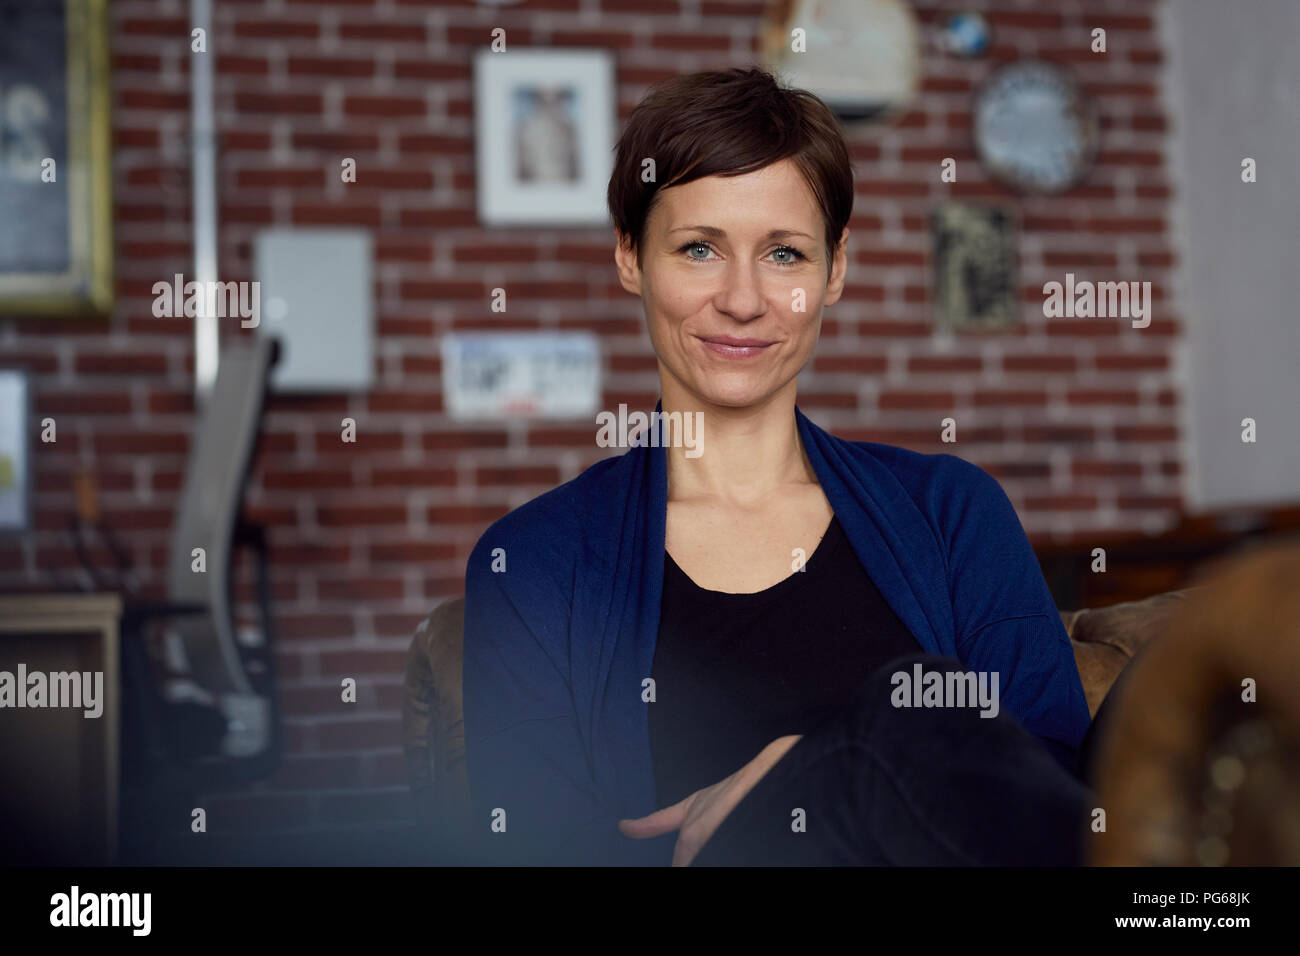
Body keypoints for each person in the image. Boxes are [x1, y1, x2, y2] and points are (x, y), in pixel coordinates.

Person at [461, 67, 1094, 866]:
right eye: (699, 249)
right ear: (630, 257)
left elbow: (1057, 799)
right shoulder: (533, 568)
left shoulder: (952, 512)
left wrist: (820, 765)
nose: (743, 299)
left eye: (785, 254)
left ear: (834, 271)